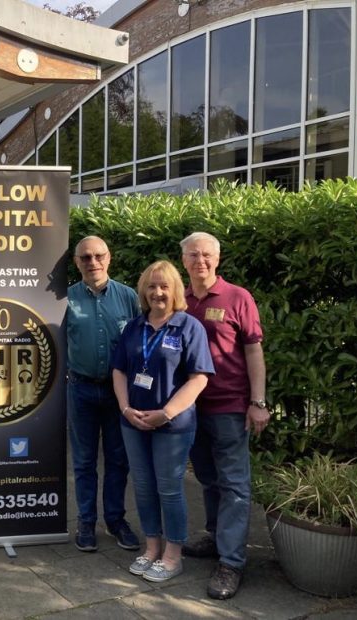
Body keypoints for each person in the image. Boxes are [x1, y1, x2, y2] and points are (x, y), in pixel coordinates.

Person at [112, 260, 214, 583]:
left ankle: (173, 554)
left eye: (164, 286)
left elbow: (199, 378)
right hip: (134, 421)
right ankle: (152, 547)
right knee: (143, 486)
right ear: (143, 291)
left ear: (175, 291)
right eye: (151, 287)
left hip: (172, 425)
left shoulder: (189, 327)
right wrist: (125, 408)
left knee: (169, 488)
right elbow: (119, 370)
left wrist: (166, 413)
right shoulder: (134, 327)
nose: (157, 292)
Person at [180, 232, 270, 600]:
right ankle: (216, 536)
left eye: (206, 255)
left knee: (234, 484)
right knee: (207, 477)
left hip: (229, 407)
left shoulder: (237, 297)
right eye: (193, 255)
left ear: (217, 260)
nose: (200, 260)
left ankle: (231, 562)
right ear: (183, 260)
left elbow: (253, 351)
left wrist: (258, 401)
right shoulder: (179, 299)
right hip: (189, 408)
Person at [66, 235, 141, 552]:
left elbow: (140, 342)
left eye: (98, 256)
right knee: (83, 462)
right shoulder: (66, 298)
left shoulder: (128, 297)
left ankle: (115, 520)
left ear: (109, 258)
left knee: (118, 460)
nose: (92, 262)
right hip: (80, 389)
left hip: (118, 393)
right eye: (85, 257)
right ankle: (86, 521)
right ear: (76, 262)